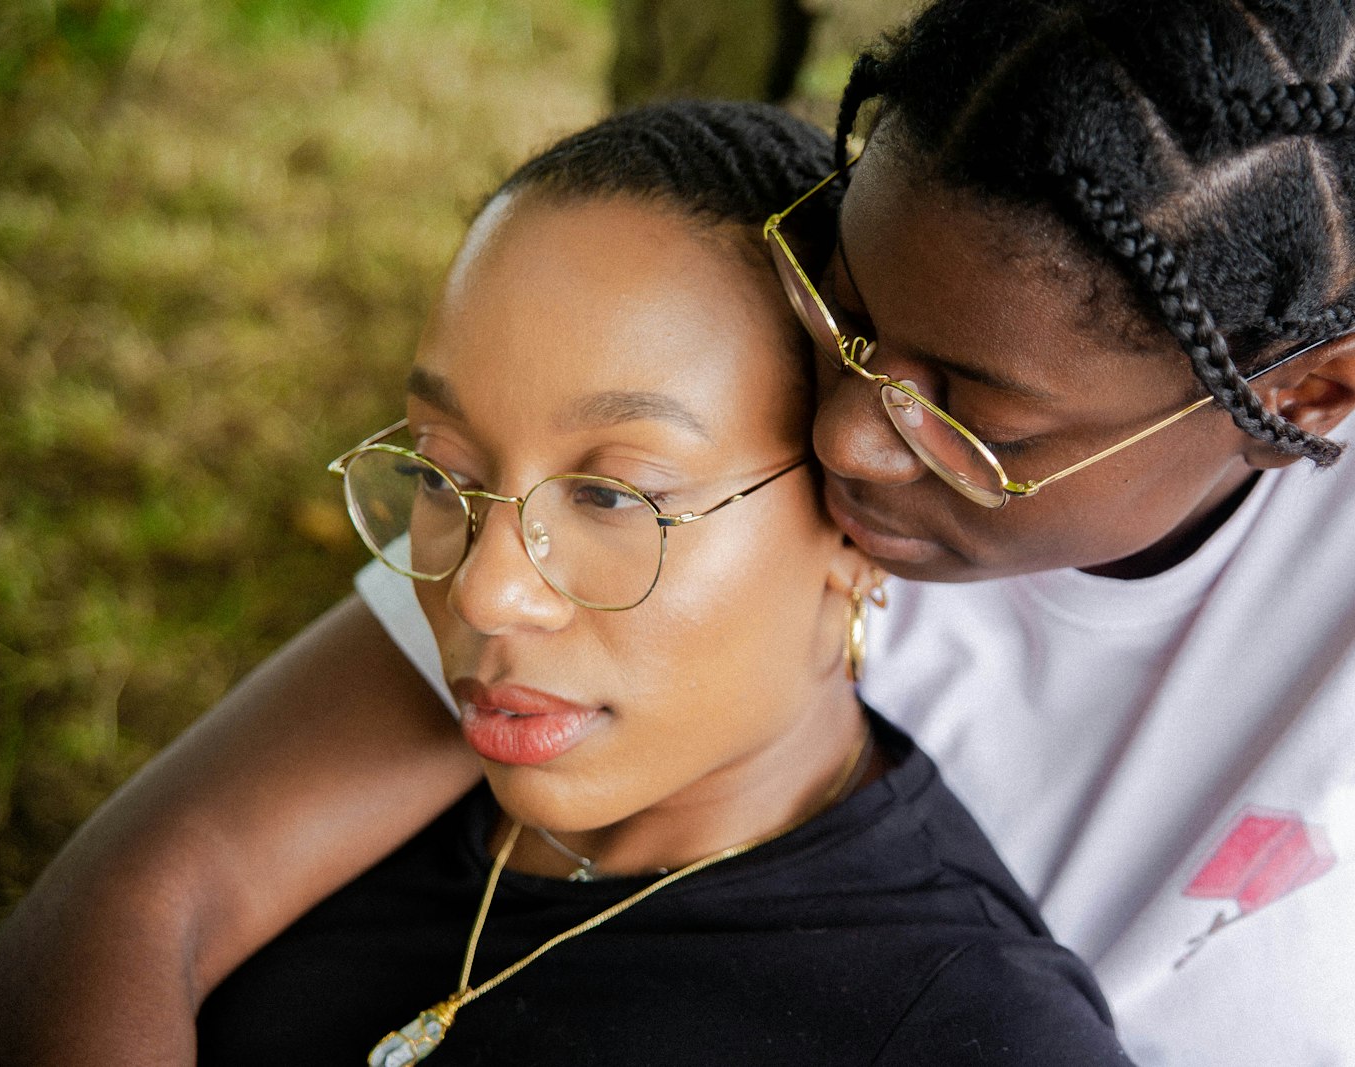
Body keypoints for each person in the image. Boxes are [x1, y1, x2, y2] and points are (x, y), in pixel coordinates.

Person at [0, 0, 1355, 1064]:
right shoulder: (760, 406)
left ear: (1308, 399)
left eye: (969, 413)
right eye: (849, 323)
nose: (843, 433)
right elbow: (151, 887)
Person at [190, 100, 1129, 1065]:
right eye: (440, 471)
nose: (484, 592)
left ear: (858, 521)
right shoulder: (355, 796)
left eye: (610, 495)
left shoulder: (971, 1028)